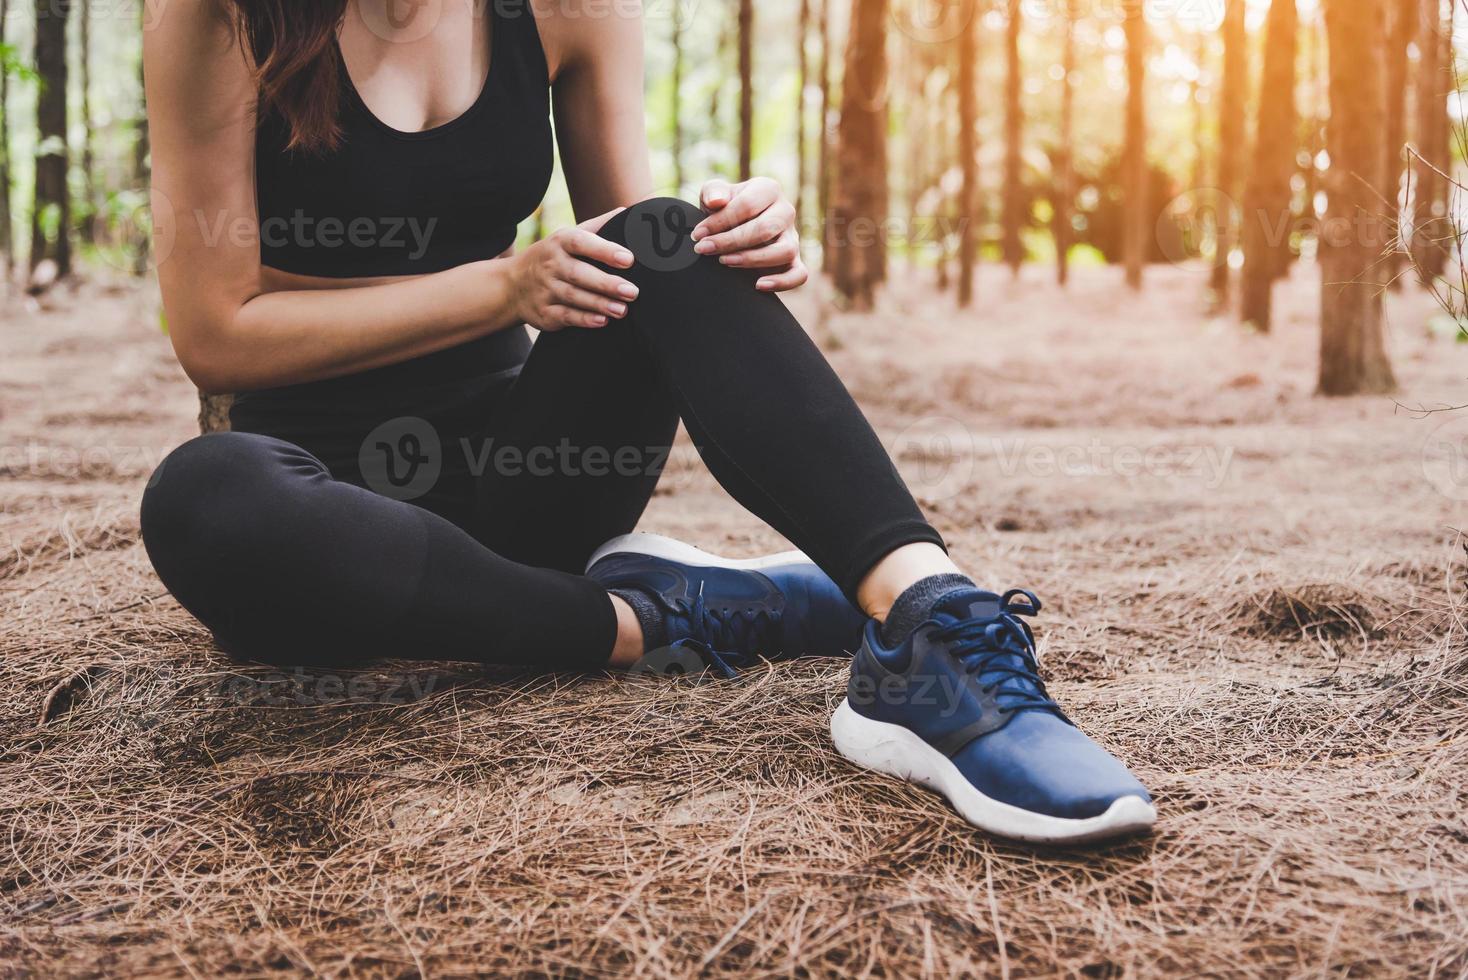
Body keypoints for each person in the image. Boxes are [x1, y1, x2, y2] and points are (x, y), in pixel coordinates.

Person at [138, 0, 1154, 844]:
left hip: (528, 487)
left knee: (670, 237)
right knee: (203, 495)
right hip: (319, 520)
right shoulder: (223, 13)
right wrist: (496, 288)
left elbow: (637, 264)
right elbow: (216, 332)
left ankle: (932, 627)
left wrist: (725, 242)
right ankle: (661, 617)